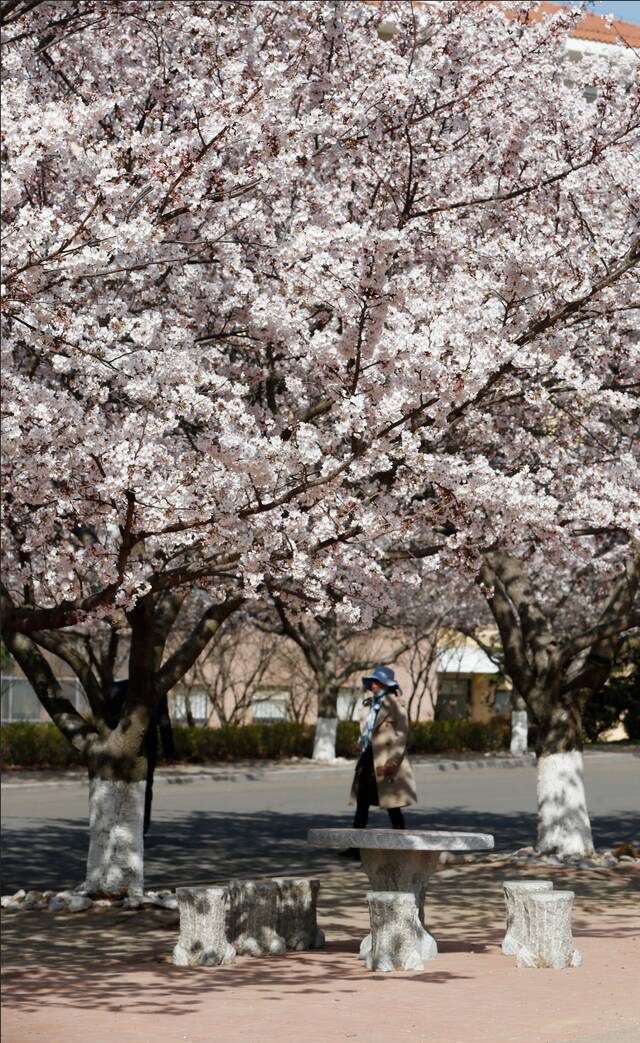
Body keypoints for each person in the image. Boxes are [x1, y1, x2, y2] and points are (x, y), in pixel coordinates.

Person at [345, 664, 417, 851]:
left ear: (387, 684)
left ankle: (403, 843)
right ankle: (355, 847)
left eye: (378, 681)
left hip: (385, 760)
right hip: (367, 758)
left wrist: (392, 763)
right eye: (372, 681)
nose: (374, 685)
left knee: (392, 805)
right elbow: (368, 731)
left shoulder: (396, 707)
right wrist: (360, 742)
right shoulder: (369, 705)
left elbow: (401, 737)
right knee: (362, 803)